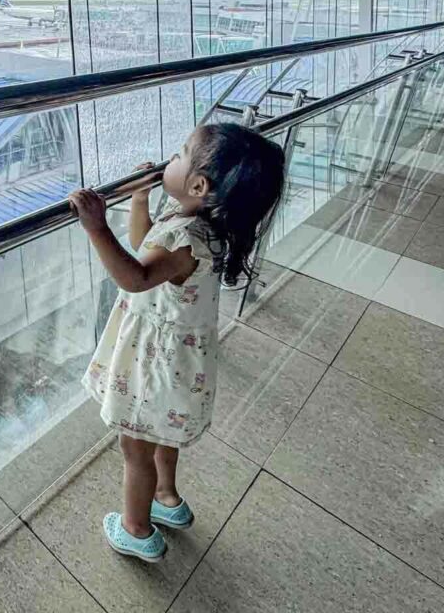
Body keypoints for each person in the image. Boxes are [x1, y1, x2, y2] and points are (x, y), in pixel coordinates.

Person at [67, 122, 285, 563]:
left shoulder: (186, 238)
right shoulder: (203, 226)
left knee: (135, 447)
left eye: (182, 154)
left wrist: (95, 226)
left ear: (199, 184)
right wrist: (140, 198)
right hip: (178, 361)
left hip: (156, 361)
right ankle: (166, 498)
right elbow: (144, 247)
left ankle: (136, 529)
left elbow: (136, 275)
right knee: (162, 435)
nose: (172, 159)